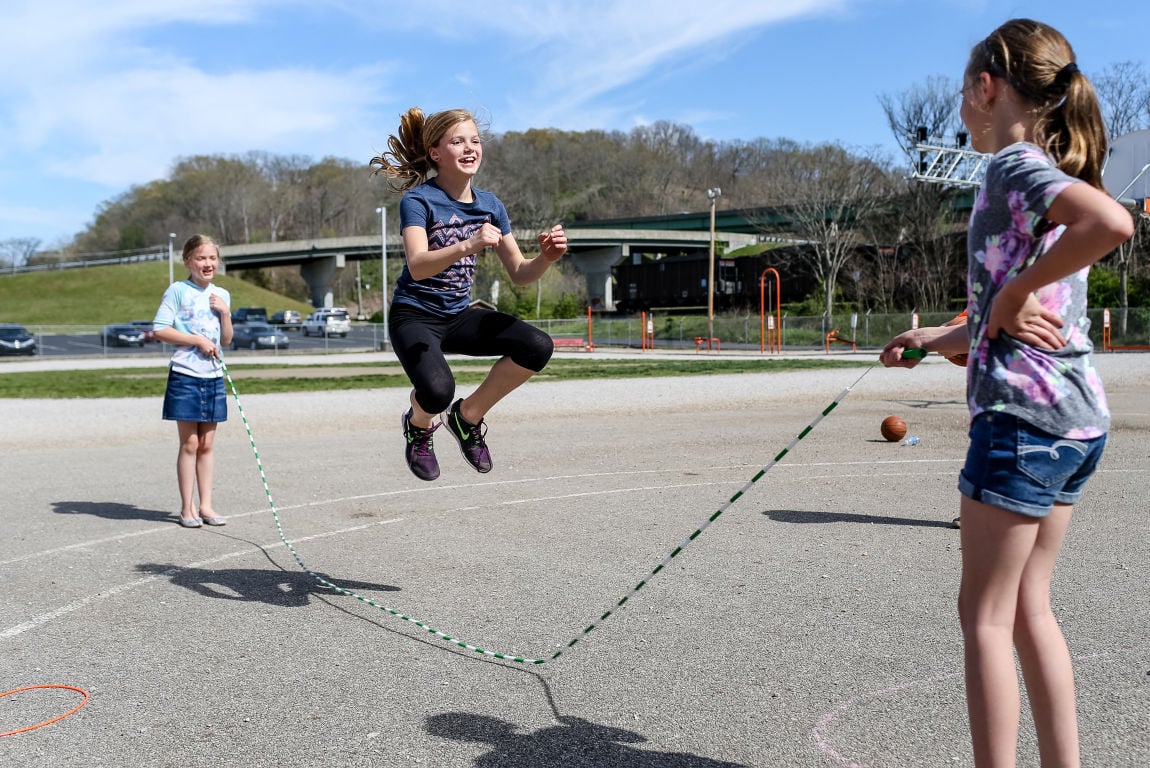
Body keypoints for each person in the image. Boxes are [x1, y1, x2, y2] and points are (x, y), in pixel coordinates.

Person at [881, 20, 1133, 767]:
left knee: (985, 618)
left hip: (1023, 424)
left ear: (986, 89)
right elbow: (1019, 319)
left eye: (964, 92)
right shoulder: (1053, 175)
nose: (962, 107)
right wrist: (935, 340)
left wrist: (1013, 291)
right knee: (1029, 610)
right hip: (1076, 421)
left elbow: (1111, 224)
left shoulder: (1010, 170)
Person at [369, 107, 567, 481]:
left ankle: (468, 417)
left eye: (474, 140)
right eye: (457, 141)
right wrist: (468, 244)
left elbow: (521, 274)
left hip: (458, 315)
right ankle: (418, 426)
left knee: (538, 346)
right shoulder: (418, 201)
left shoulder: (490, 206)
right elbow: (417, 264)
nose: (469, 147)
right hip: (414, 316)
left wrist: (547, 257)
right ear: (435, 153)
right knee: (438, 390)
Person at [153, 235, 234, 528]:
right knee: (189, 443)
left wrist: (225, 313)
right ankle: (187, 508)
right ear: (188, 261)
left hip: (213, 376)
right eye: (201, 258)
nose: (207, 264)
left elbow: (226, 340)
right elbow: (160, 329)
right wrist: (196, 340)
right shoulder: (177, 291)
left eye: (212, 258)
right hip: (185, 375)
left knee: (207, 444)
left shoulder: (222, 294)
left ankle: (207, 506)